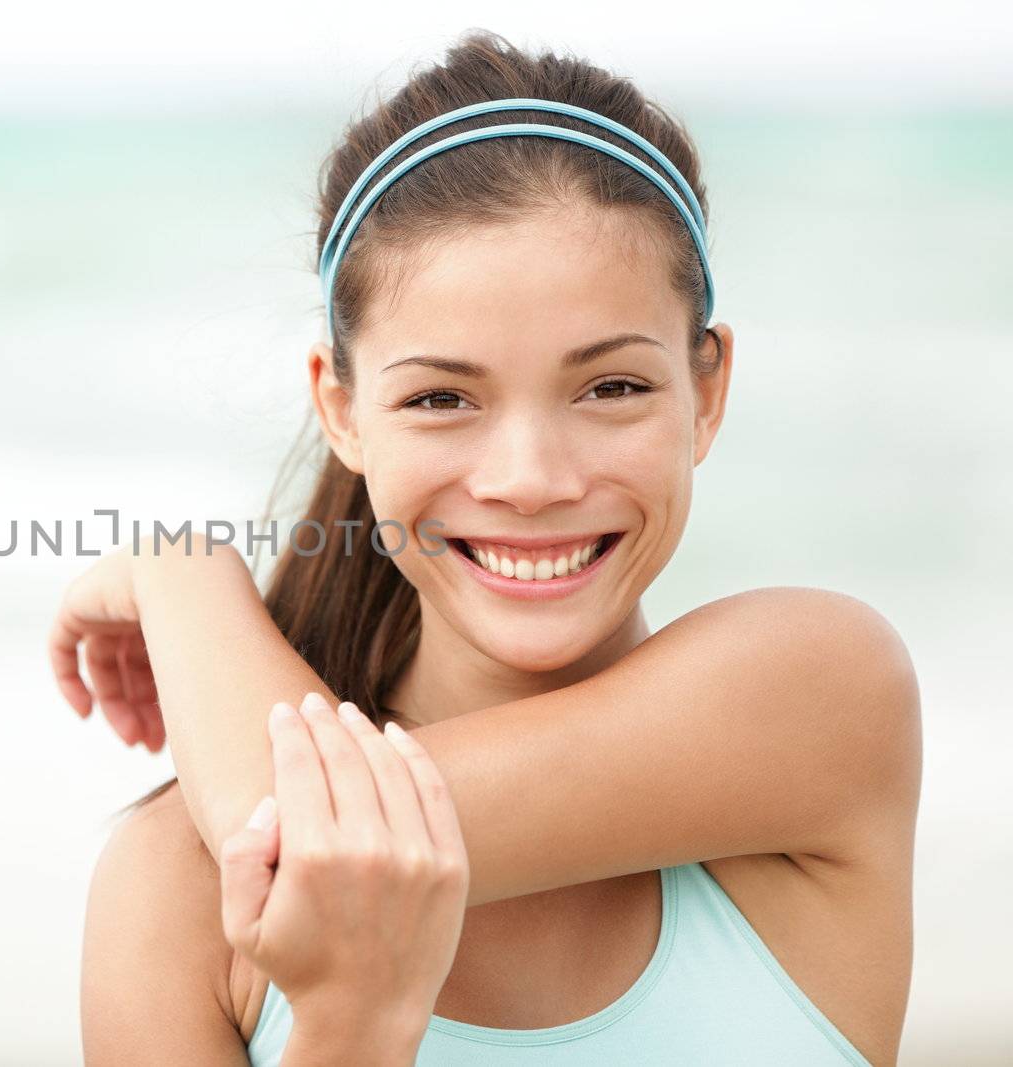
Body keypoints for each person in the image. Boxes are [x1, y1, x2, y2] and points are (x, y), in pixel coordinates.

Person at [52, 30, 920, 1066]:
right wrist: (351, 1026)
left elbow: (306, 837)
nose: (530, 476)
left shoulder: (818, 695)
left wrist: (179, 571)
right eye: (440, 397)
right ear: (341, 406)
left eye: (611, 386)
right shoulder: (172, 891)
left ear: (707, 389)